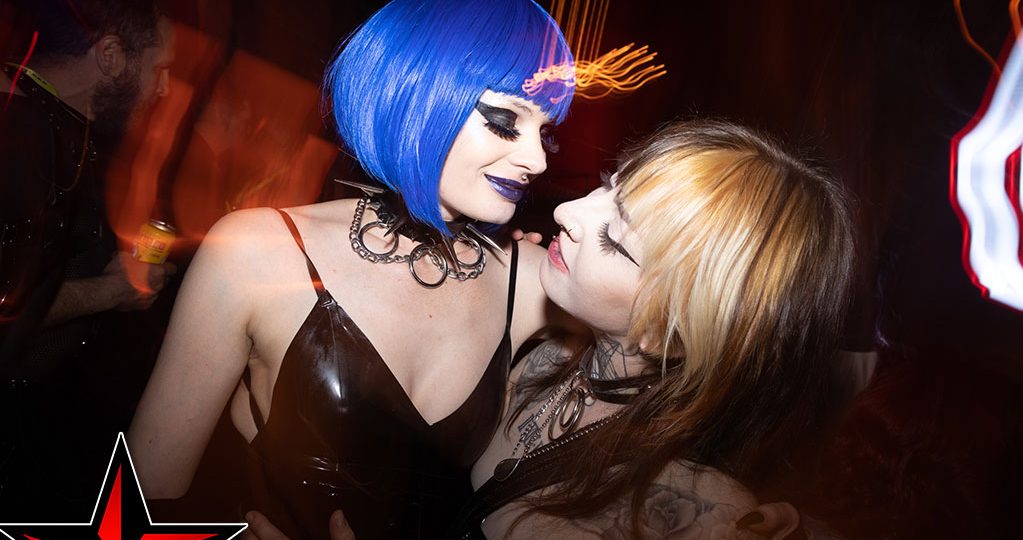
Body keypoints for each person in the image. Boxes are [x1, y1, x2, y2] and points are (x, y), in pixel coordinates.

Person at [245, 119, 857, 539]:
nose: (568, 210)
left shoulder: (689, 514)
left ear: (671, 333)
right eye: (609, 186)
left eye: (615, 240)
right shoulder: (542, 347)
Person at [127, 0, 575, 538]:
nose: (538, 160)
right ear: (416, 95)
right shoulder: (257, 251)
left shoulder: (529, 283)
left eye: (547, 133)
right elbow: (144, 500)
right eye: (505, 122)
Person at [0, 0, 175, 519]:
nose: (165, 88)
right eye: (160, 69)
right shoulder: (14, 130)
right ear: (111, 55)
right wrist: (109, 292)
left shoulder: (63, 125)